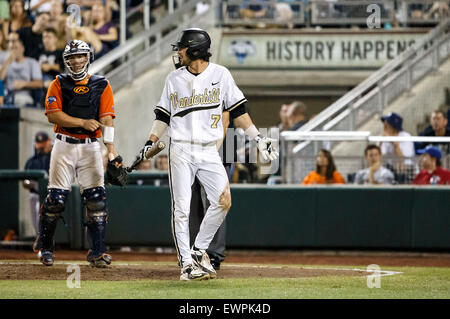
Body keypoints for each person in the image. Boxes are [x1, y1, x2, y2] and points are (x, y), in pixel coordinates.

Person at [137, 28, 278, 281]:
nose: (178, 52)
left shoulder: (221, 74)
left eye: (182, 48)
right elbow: (162, 116)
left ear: (194, 50)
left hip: (209, 149)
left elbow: (239, 112)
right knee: (181, 209)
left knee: (223, 200)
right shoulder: (173, 78)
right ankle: (186, 265)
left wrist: (258, 138)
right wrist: (151, 141)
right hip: (181, 147)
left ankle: (199, 251)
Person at [33, 39, 122, 268]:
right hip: (64, 144)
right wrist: (83, 122)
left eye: (80, 56)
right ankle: (45, 246)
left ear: (88, 57)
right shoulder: (58, 83)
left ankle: (98, 252)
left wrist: (111, 151)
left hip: (91, 146)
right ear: (66, 60)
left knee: (97, 200)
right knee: (55, 200)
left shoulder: (102, 84)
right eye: (72, 57)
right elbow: (53, 115)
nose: (76, 60)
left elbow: (107, 119)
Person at [0, 32, 43, 107]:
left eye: (15, 47)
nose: (12, 48)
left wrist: (24, 84)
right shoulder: (3, 59)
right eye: (10, 47)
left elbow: (39, 84)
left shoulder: (32, 62)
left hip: (24, 98)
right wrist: (6, 62)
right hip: (6, 97)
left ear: (22, 48)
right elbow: (0, 79)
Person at [23, 131, 52, 234]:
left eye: (43, 142)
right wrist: (31, 184)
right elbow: (24, 181)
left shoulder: (55, 157)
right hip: (35, 194)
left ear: (48, 141)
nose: (41, 145)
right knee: (36, 219)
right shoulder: (31, 161)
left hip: (51, 194)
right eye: (39, 143)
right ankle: (39, 238)